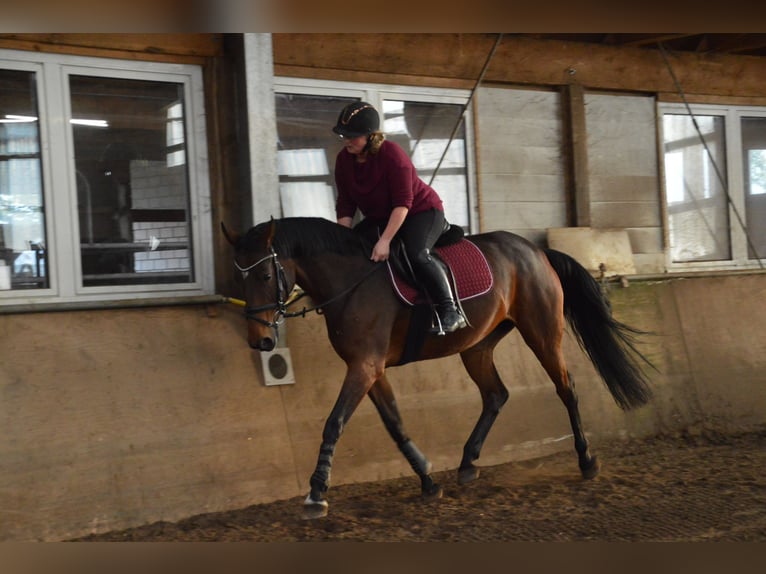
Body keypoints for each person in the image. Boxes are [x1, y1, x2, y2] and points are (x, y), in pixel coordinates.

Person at [332, 100, 467, 334]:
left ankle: (450, 311)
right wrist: (341, 237)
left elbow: (403, 203)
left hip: (420, 211)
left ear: (370, 136)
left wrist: (384, 241)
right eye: (343, 135)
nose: (346, 140)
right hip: (381, 215)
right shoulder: (343, 161)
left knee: (417, 254)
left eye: (352, 136)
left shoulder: (393, 156)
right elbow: (345, 203)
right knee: (354, 249)